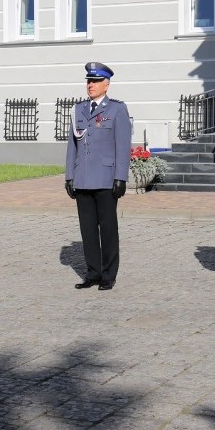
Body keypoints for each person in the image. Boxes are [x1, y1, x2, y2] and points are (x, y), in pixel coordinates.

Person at [65, 62, 132, 291]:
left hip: (105, 178)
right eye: (88, 81)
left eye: (95, 81)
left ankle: (108, 274)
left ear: (107, 84)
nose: (90, 85)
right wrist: (69, 176)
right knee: (88, 229)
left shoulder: (117, 109)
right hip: (83, 178)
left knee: (108, 228)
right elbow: (72, 145)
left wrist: (120, 177)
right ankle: (92, 272)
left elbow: (123, 145)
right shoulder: (78, 109)